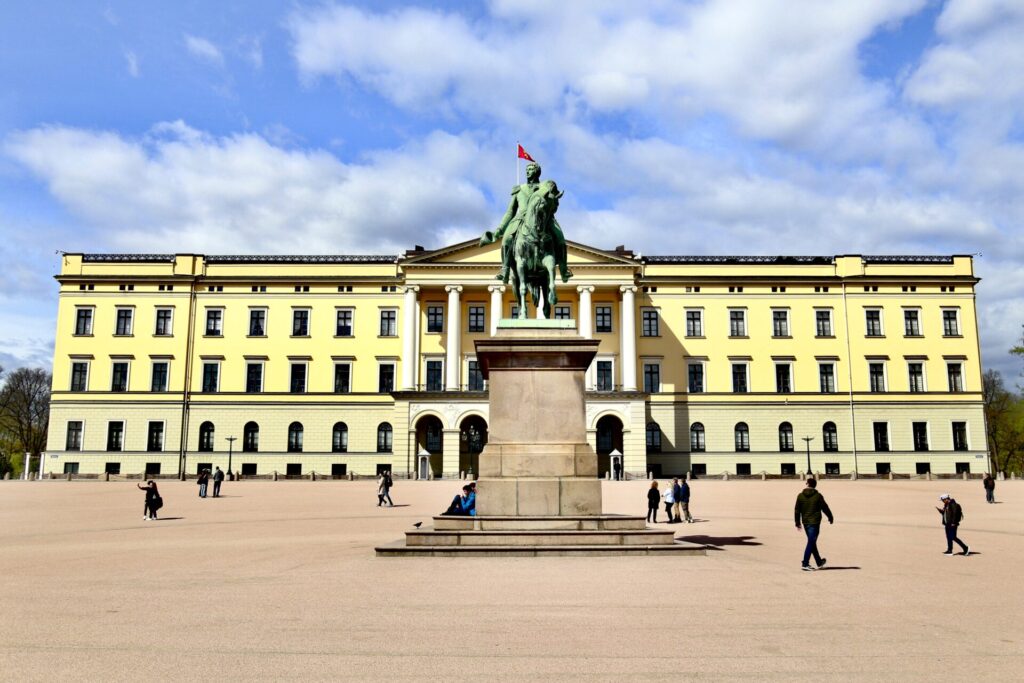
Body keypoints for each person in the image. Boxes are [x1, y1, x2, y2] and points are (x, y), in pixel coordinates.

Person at [479, 161, 572, 284]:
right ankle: (505, 269)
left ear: (537, 172)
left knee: (560, 238)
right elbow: (510, 211)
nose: (528, 171)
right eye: (527, 169)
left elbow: (553, 203)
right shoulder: (519, 190)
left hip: (544, 219)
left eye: (531, 169)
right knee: (506, 239)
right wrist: (499, 229)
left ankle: (563, 269)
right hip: (520, 219)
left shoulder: (544, 187)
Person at [794, 478, 833, 571]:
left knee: (812, 542)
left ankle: (819, 562)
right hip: (814, 522)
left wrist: (797, 522)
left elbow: (797, 510)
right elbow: (825, 507)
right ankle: (805, 563)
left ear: (807, 484)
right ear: (815, 485)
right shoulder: (818, 496)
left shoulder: (800, 496)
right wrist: (830, 517)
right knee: (811, 542)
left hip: (805, 522)